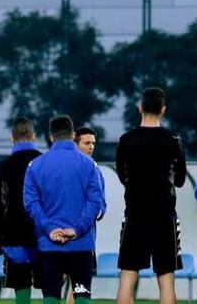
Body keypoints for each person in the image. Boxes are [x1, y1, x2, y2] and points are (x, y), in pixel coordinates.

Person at [115, 87, 187, 304]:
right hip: (164, 215)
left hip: (135, 214)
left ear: (140, 108)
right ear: (163, 110)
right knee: (166, 278)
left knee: (128, 276)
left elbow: (121, 176)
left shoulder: (126, 139)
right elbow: (181, 180)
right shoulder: (173, 140)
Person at [24, 116, 104, 304]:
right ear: (73, 135)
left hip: (49, 243)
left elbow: (31, 203)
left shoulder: (36, 165)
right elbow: (95, 202)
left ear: (51, 137)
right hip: (81, 244)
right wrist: (77, 230)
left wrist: (49, 228)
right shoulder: (89, 165)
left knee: (51, 296)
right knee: (82, 296)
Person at [0, 117, 43, 304]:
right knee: (49, 287)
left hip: (14, 238)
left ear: (12, 138)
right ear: (34, 137)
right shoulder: (43, 162)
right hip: (43, 236)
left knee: (21, 287)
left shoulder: (4, 168)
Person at [66, 126, 107, 304]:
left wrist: (97, 212)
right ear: (76, 143)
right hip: (66, 235)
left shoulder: (95, 170)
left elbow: (101, 204)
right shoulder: (67, 168)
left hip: (83, 237)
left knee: (75, 287)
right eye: (87, 143)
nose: (91, 147)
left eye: (93, 143)